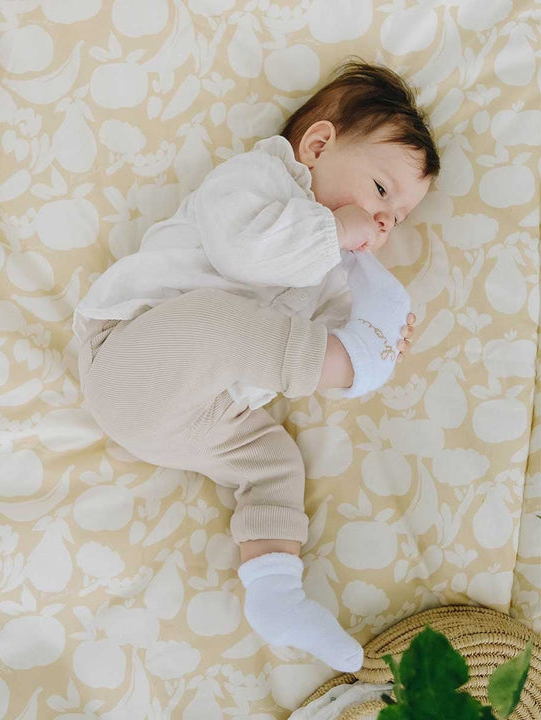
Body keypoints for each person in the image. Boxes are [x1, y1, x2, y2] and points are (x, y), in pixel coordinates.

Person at [73, 59, 440, 672]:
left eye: (396, 218)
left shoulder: (329, 266)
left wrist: (369, 334)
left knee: (274, 459)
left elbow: (288, 339)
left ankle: (275, 593)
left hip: (201, 417)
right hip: (133, 357)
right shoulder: (258, 179)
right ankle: (341, 365)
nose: (382, 222)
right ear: (318, 145)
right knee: (217, 317)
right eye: (381, 192)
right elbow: (243, 250)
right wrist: (337, 241)